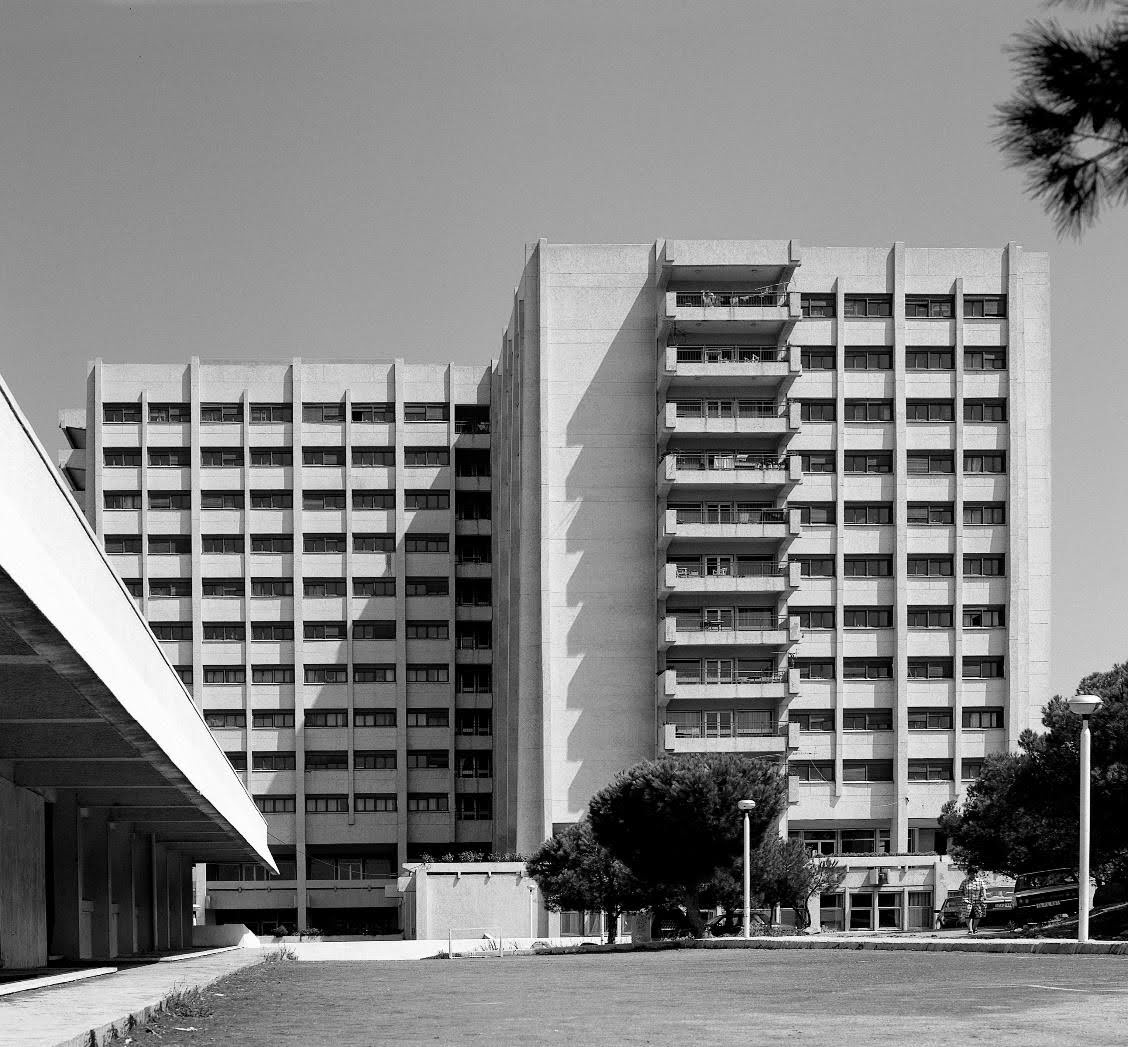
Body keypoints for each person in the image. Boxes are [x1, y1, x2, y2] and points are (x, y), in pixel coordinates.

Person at [960, 867, 988, 934]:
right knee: (967, 915)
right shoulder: (964, 882)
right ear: (969, 874)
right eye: (971, 873)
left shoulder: (980, 881)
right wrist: (963, 897)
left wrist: (983, 896)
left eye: (974, 873)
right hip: (967, 901)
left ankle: (974, 927)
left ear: (976, 874)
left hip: (977, 900)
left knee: (978, 915)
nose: (972, 875)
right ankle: (970, 930)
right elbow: (961, 890)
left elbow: (983, 889)